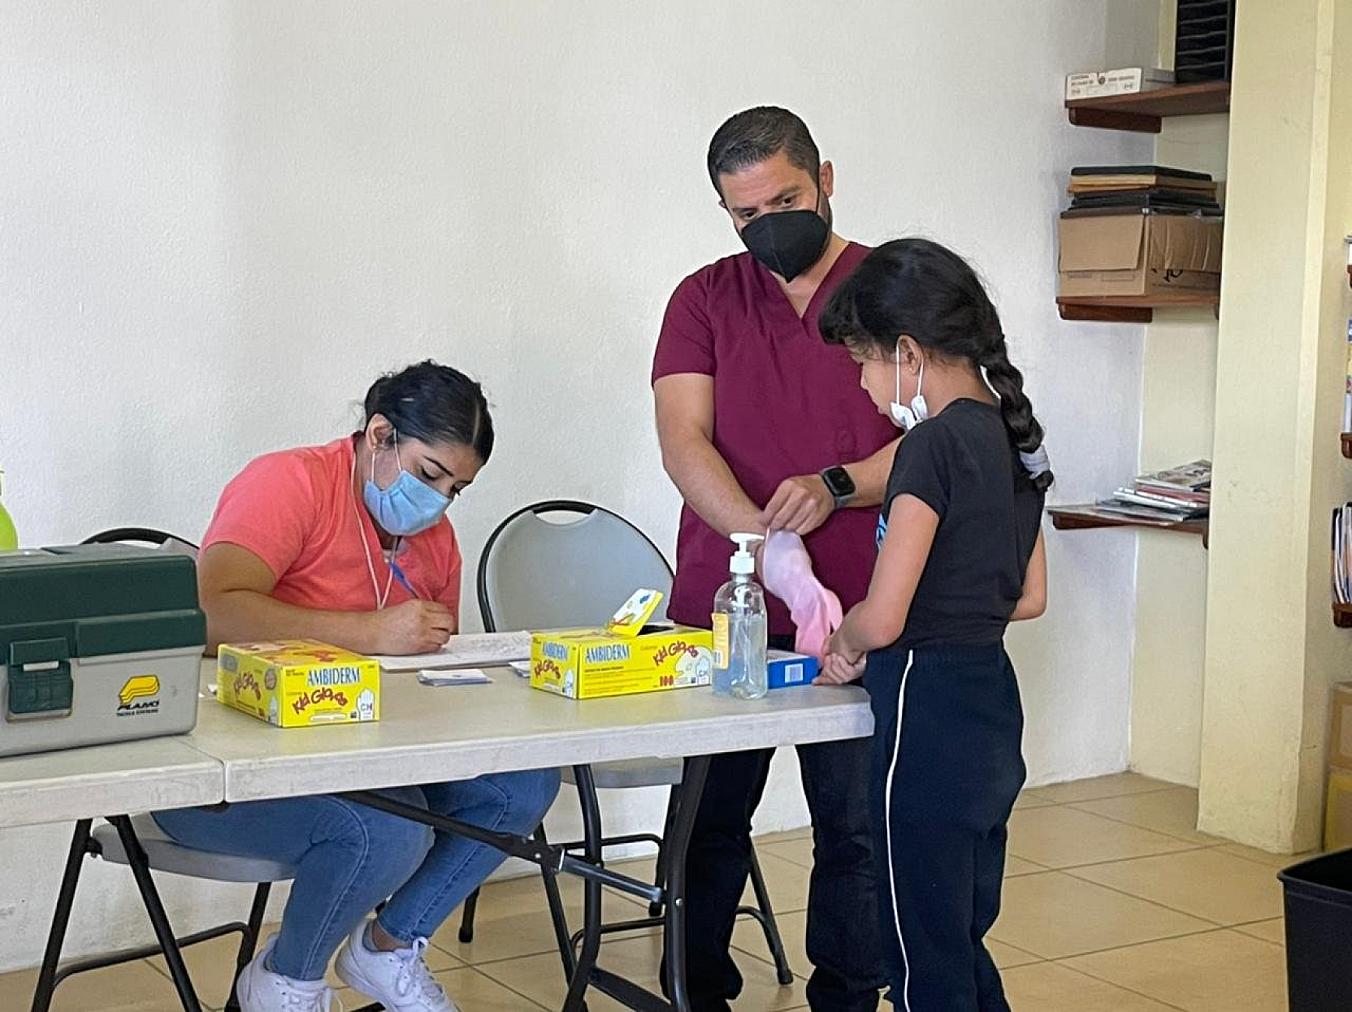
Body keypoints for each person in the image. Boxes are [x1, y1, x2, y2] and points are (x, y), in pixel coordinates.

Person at [154, 361, 561, 1012]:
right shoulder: (289, 483)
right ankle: (285, 980)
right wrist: (369, 633)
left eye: (456, 489)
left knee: (522, 786)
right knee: (387, 830)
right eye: (429, 474)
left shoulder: (433, 537)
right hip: (230, 771)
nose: (439, 501)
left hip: (365, 758)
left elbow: (430, 673)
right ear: (379, 435)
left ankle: (387, 947)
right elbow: (210, 613)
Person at [651, 106, 892, 1011]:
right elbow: (684, 441)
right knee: (708, 824)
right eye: (746, 215)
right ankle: (695, 991)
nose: (768, 228)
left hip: (866, 607)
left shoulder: (895, 287)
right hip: (733, 604)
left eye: (785, 202)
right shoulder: (704, 298)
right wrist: (764, 543)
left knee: (856, 827)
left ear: (825, 180)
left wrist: (837, 486)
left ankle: (849, 994)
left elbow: (944, 434)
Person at [818, 239, 1051, 1010]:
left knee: (920, 953)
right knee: (958, 937)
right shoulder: (1015, 438)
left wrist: (844, 640)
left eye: (862, 360)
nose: (862, 381)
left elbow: (884, 616)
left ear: (908, 352)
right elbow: (1028, 597)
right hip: (991, 710)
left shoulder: (927, 447)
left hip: (924, 716)